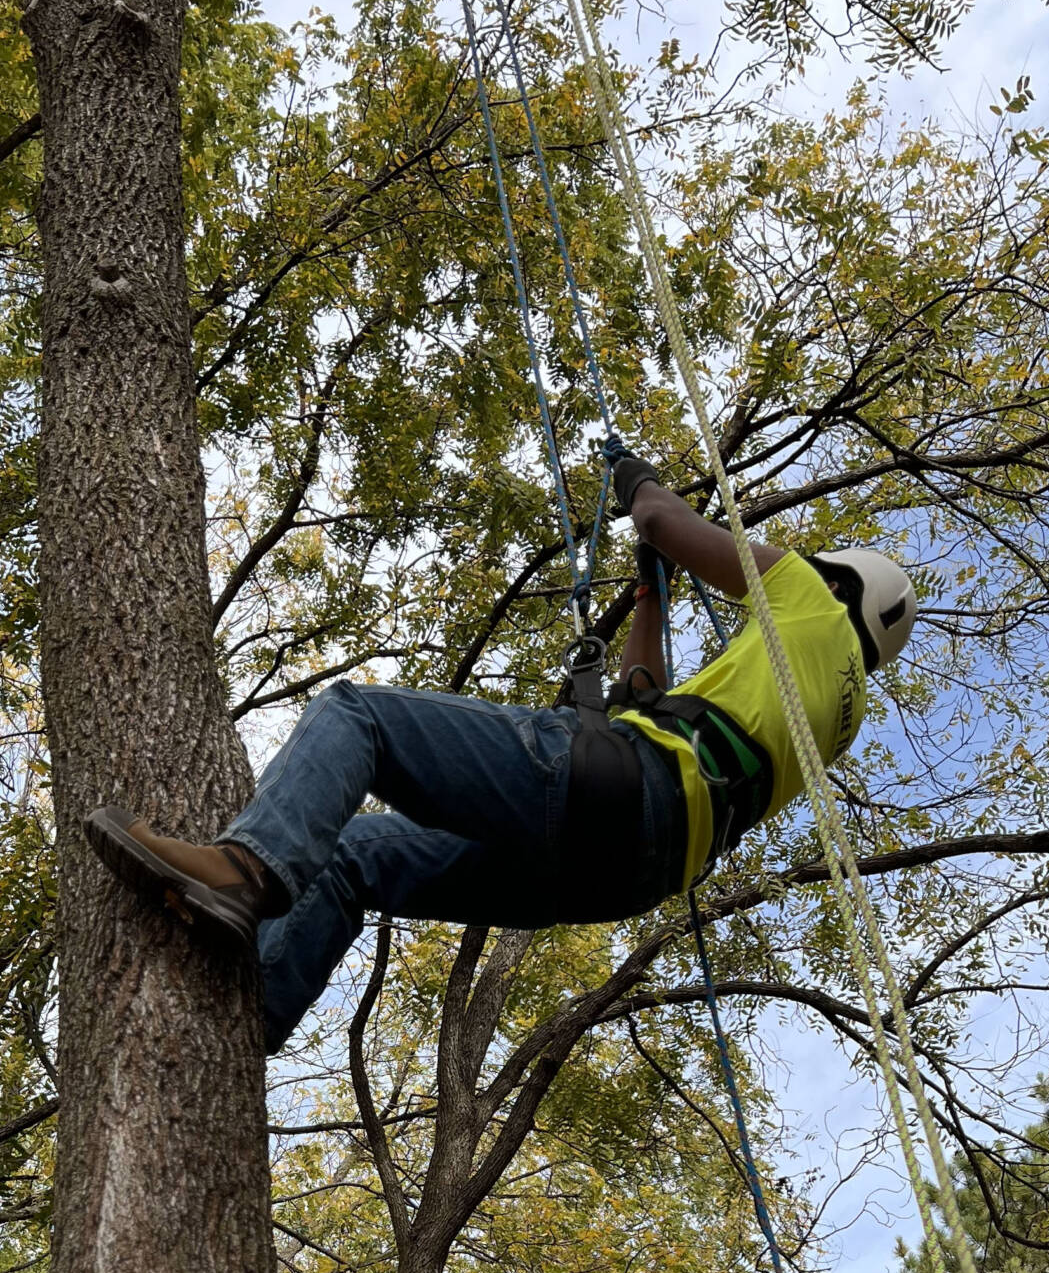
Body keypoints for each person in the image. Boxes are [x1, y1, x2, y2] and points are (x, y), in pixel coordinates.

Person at [85, 450, 917, 1053]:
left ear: (841, 582)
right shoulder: (837, 716)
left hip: (621, 789)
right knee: (352, 857)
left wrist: (637, 483)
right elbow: (640, 701)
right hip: (624, 872)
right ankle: (249, 1015)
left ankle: (247, 869)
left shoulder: (810, 596)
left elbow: (664, 519)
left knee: (358, 717)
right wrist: (648, 596)